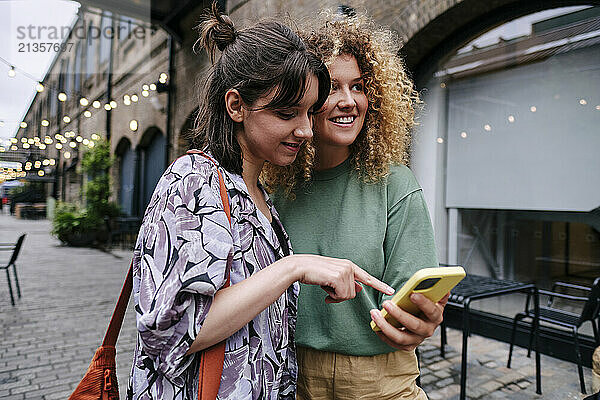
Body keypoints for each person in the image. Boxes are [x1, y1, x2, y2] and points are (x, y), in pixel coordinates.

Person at [126, 4, 396, 400]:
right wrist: (293, 267)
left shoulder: (260, 195)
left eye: (308, 112)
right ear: (236, 106)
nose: (304, 130)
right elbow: (171, 332)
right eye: (287, 113)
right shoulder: (192, 181)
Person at [265, 11, 447, 400]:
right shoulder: (273, 186)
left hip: (379, 382)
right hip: (289, 377)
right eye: (332, 88)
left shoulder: (394, 184)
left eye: (359, 87)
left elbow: (408, 301)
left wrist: (417, 319)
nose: (349, 101)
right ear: (304, 98)